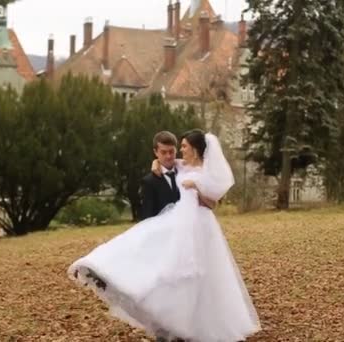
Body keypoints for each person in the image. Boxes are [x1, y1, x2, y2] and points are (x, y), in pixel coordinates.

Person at [68, 129, 260, 341]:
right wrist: (155, 164)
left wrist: (197, 186)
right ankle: (101, 268)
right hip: (177, 219)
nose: (180, 150)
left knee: (199, 273)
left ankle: (194, 324)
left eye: (184, 146)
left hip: (199, 224)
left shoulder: (204, 170)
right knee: (162, 260)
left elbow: (212, 203)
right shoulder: (181, 165)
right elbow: (165, 162)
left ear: (194, 149)